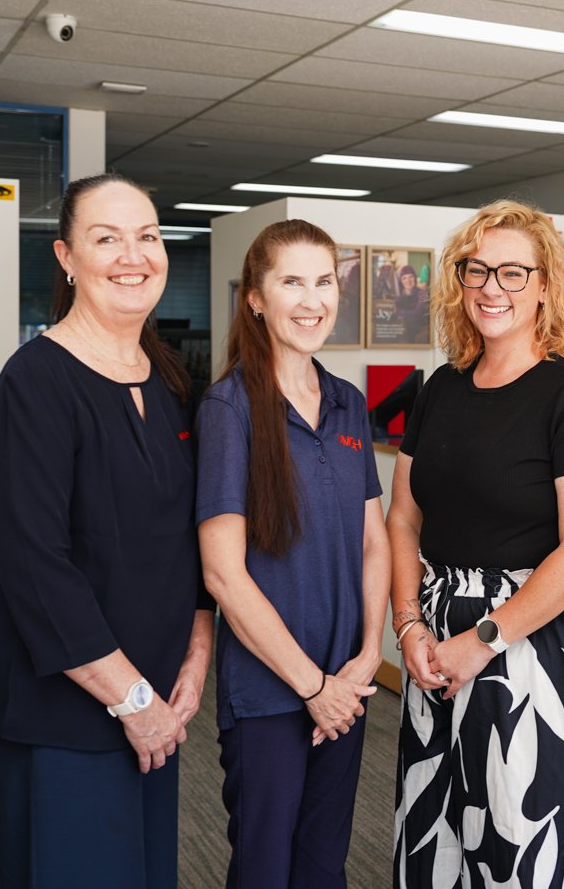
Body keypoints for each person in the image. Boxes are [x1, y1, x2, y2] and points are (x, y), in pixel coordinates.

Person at [388, 200, 564, 888]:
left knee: (527, 842)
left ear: (545, 285)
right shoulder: (440, 388)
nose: (491, 288)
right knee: (441, 833)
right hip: (438, 639)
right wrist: (408, 622)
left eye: (511, 272)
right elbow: (404, 518)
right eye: (476, 270)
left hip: (541, 647)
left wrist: (484, 639)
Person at [0, 173, 214, 889]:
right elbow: (34, 565)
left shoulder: (172, 380)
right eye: (106, 238)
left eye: (147, 236)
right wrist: (132, 700)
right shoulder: (34, 382)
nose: (132, 255)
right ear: (67, 257)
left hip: (156, 711)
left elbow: (190, 536)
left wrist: (196, 654)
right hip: (64, 714)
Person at [196, 219, 389, 888]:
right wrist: (313, 686)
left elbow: (374, 540)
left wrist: (368, 654)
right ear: (256, 297)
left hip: (347, 682)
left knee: (322, 864)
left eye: (325, 281)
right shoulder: (230, 408)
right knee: (266, 870)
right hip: (272, 694)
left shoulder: (348, 403)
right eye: (292, 282)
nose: (312, 301)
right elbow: (223, 571)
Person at [394, 264, 428, 343]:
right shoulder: (399, 297)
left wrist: (400, 312)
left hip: (418, 330)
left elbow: (417, 314)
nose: (408, 281)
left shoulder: (422, 294)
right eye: (404, 278)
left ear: (415, 278)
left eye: (411, 277)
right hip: (402, 331)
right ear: (401, 281)